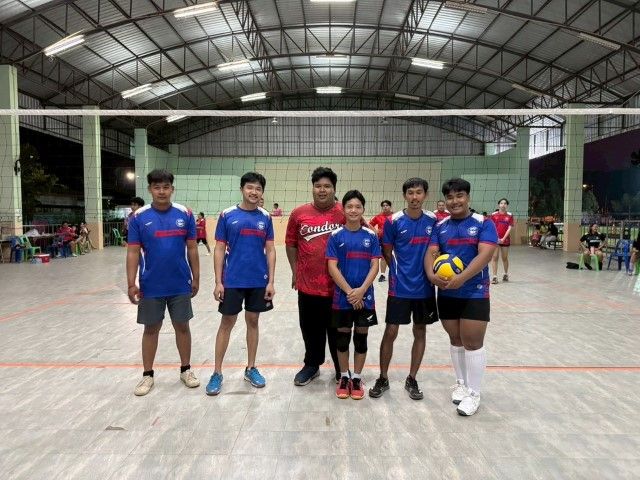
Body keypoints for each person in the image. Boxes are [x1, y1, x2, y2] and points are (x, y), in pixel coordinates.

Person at [425, 178, 498, 416]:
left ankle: (474, 394)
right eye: (450, 197)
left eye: (459, 196)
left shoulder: (483, 223)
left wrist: (463, 277)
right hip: (447, 291)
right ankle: (461, 383)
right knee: (455, 338)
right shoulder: (440, 226)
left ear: (468, 197)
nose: (454, 201)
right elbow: (431, 253)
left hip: (475, 291)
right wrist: (431, 275)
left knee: (473, 342)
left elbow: (485, 255)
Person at [126, 169, 200, 396]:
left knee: (182, 327)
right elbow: (133, 252)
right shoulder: (138, 217)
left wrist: (196, 277)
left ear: (172, 189)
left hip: (180, 283)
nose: (161, 191)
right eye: (157, 187)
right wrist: (131, 283)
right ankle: (147, 375)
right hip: (151, 285)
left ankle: (186, 370)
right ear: (150, 189)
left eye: (165, 187)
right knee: (151, 329)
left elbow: (192, 248)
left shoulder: (185, 214)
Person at [205, 172, 276, 396]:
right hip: (232, 280)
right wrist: (218, 281)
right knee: (227, 322)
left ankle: (251, 368)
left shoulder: (266, 217)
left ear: (262, 192)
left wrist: (271, 281)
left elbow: (271, 250)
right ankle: (217, 372)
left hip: (258, 280)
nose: (254, 192)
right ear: (242, 189)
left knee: (253, 321)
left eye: (258, 189)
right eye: (250, 187)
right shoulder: (227, 215)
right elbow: (219, 249)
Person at [369, 178, 438, 401]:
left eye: (419, 192)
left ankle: (412, 378)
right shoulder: (393, 221)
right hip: (399, 287)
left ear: (425, 195)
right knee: (391, 331)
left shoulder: (433, 220)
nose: (414, 197)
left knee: (420, 330)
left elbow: (436, 250)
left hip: (425, 288)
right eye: (410, 193)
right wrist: (398, 272)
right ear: (404, 196)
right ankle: (383, 377)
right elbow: (387, 251)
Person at [286, 167, 344, 386]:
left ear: (334, 189)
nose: (322, 190)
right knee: (310, 329)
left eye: (327, 186)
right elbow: (291, 244)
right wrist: (295, 271)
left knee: (337, 330)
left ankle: (341, 368)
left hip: (339, 286)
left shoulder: (345, 212)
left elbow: (364, 236)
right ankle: (311, 365)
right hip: (308, 285)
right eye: (318, 186)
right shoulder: (299, 214)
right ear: (312, 188)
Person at [326, 190, 381, 400]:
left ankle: (356, 378)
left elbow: (375, 266)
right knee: (342, 339)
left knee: (361, 339)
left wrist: (361, 291)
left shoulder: (371, 236)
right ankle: (343, 377)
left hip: (365, 297)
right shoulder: (335, 236)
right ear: (343, 209)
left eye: (358, 206)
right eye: (349, 206)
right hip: (343, 298)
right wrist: (350, 292)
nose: (353, 210)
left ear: (363, 209)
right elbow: (332, 267)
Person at [490, 198, 515, 283]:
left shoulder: (510, 215)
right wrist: (497, 238)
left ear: (507, 205)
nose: (503, 205)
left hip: (505, 240)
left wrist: (503, 239)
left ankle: (505, 274)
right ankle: (494, 277)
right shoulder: (493, 215)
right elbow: (492, 227)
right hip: (495, 239)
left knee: (504, 257)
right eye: (501, 203)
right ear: (499, 205)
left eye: (505, 203)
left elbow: (509, 228)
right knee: (495, 257)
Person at [368, 200, 393, 282]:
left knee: (395, 256)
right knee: (383, 257)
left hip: (394, 239)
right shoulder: (378, 216)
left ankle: (395, 272)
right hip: (382, 240)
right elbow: (370, 224)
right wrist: (375, 231)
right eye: (383, 206)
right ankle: (382, 274)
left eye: (387, 205)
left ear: (390, 206)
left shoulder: (394, 216)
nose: (385, 207)